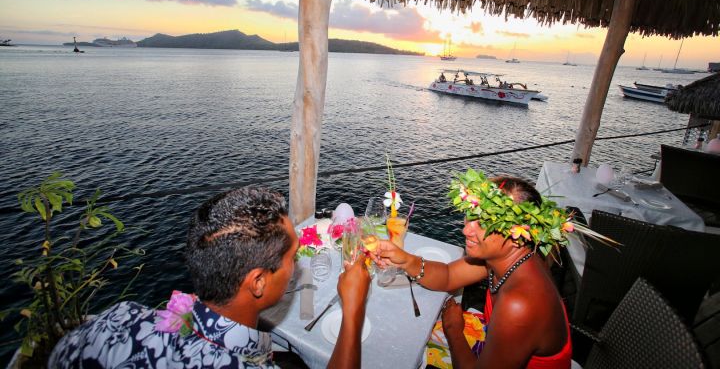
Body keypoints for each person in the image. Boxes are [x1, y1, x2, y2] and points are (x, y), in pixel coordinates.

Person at [49, 186, 371, 368]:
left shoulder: (123, 314)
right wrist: (353, 309)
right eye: (292, 258)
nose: (296, 266)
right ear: (258, 282)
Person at [372, 171, 577, 369]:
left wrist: (454, 329)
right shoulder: (508, 258)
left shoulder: (520, 305)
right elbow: (449, 276)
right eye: (471, 216)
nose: (466, 229)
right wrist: (405, 260)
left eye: (486, 223)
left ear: (520, 236)